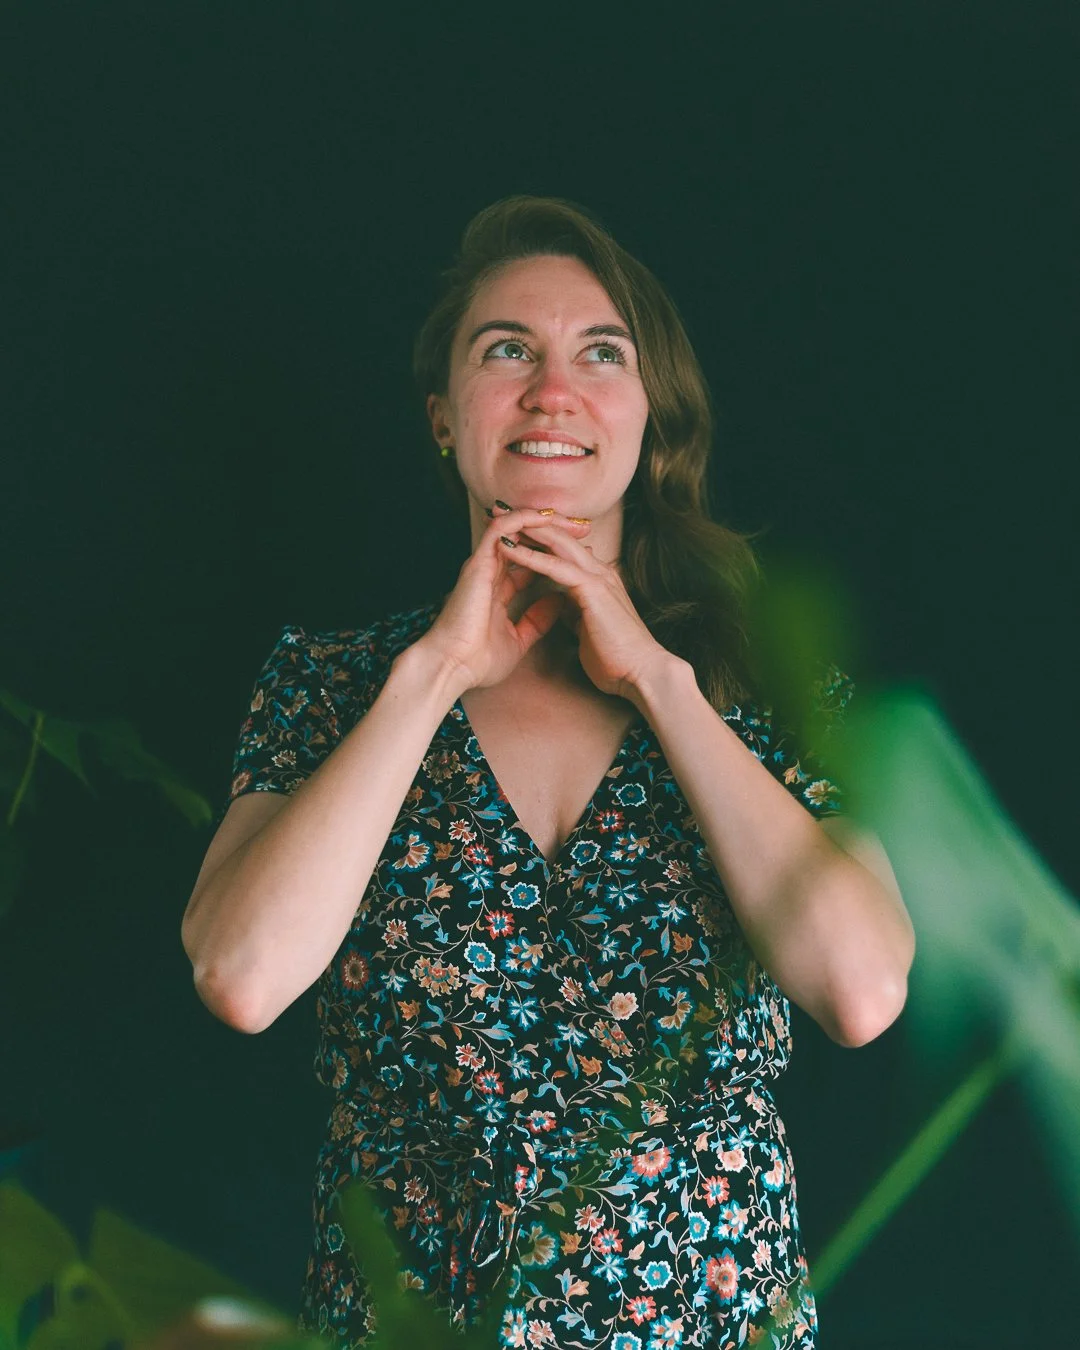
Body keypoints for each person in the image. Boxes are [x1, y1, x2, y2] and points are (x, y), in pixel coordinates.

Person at [181, 195, 915, 1350]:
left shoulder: (771, 691)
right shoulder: (331, 684)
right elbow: (242, 974)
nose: (553, 390)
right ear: (443, 416)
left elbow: (862, 993)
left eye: (602, 353)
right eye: (507, 350)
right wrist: (433, 674)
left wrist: (662, 685)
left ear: (648, 414)